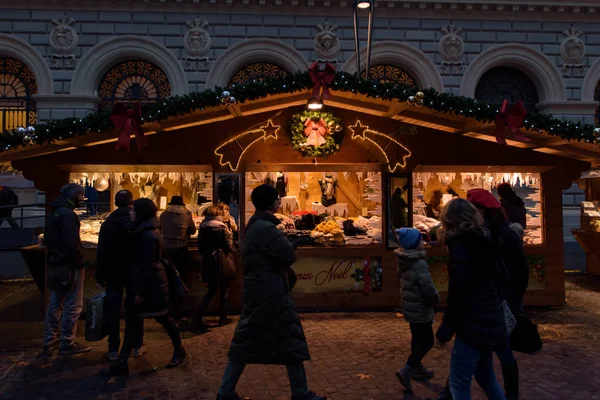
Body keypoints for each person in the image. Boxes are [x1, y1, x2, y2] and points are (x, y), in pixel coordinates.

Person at [216, 184, 325, 400]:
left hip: (261, 292)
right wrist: (291, 244)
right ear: (271, 203)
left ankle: (226, 391)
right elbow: (286, 255)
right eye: (277, 199)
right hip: (270, 294)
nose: (279, 202)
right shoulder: (265, 228)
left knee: (250, 342)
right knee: (287, 341)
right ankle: (300, 393)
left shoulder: (257, 225)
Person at [436, 198, 509, 400]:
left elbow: (459, 294)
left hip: (472, 325)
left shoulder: (461, 248)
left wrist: (445, 330)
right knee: (486, 378)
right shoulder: (485, 241)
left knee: (459, 385)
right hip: (489, 320)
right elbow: (503, 280)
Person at [104, 199, 186, 376]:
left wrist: (139, 291)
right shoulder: (143, 230)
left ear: (140, 213)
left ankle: (179, 350)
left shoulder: (147, 235)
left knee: (162, 319)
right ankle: (122, 361)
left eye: (133, 210)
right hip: (148, 284)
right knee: (135, 321)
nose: (130, 213)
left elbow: (146, 265)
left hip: (151, 286)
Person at [467, 189, 528, 400]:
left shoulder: (503, 237)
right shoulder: (481, 234)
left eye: (475, 209)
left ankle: (511, 395)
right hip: (487, 302)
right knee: (473, 351)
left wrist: (512, 300)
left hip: (502, 303)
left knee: (501, 351)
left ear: (485, 211)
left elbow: (520, 272)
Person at [96, 190, 145, 361]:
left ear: (116, 203)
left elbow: (101, 252)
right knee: (136, 308)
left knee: (113, 310)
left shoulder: (108, 224)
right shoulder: (138, 221)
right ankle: (137, 344)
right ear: (131, 202)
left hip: (113, 271)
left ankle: (113, 348)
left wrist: (99, 276)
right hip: (134, 272)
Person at [43, 183, 91, 355]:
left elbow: (47, 240)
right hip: (70, 266)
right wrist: (79, 261)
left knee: (55, 302)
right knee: (73, 304)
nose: (81, 200)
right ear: (74, 197)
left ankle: (49, 341)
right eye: (80, 197)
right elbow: (72, 243)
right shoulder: (68, 215)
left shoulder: (53, 212)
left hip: (55, 263)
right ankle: (67, 342)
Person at [394, 228, 440, 392]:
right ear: (415, 244)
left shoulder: (404, 260)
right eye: (420, 240)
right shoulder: (420, 264)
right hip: (420, 308)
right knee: (427, 341)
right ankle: (408, 368)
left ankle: (416, 368)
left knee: (417, 338)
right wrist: (436, 299)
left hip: (410, 307)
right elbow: (427, 289)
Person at [194, 205, 234, 330]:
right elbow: (228, 246)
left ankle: (198, 316)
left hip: (209, 261)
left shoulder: (203, 227)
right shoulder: (221, 228)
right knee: (224, 290)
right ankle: (223, 317)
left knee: (211, 291)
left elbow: (200, 246)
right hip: (221, 261)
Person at [160, 195, 196, 321]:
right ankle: (177, 310)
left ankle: (167, 309)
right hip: (181, 249)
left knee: (167, 279)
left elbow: (159, 228)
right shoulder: (187, 213)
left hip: (165, 251)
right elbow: (192, 230)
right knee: (181, 278)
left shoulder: (164, 214)